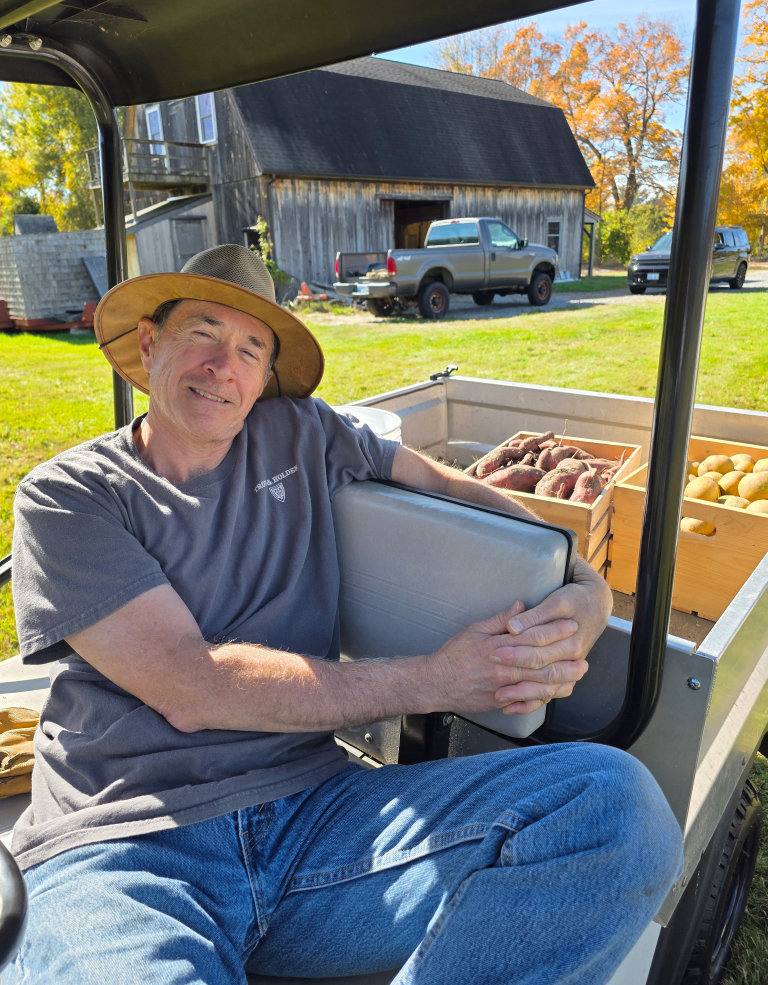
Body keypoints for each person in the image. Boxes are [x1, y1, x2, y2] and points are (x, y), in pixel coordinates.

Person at [8, 245, 682, 984]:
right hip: (128, 841)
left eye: (249, 348)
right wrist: (439, 682)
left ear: (266, 374)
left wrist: (584, 584)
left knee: (615, 809)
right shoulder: (69, 496)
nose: (221, 365)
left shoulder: (303, 432)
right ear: (149, 342)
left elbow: (451, 486)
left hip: (317, 817)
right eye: (201, 332)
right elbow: (191, 686)